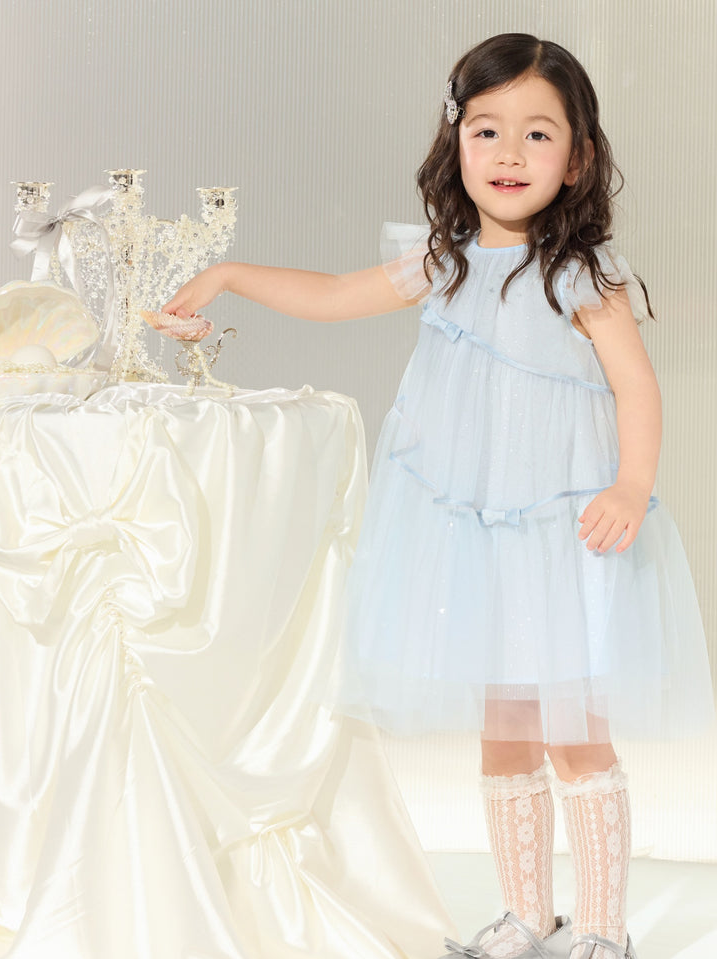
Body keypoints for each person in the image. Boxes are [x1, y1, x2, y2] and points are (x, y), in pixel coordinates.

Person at [162, 33, 714, 959]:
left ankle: (604, 928)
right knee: (504, 732)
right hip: (475, 540)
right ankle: (526, 915)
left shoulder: (582, 275)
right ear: (455, 142)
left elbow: (637, 387)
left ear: (578, 158)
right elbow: (334, 295)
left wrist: (633, 483)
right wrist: (228, 275)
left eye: (538, 134)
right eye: (487, 129)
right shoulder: (445, 261)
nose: (508, 153)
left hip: (565, 537)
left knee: (576, 735)